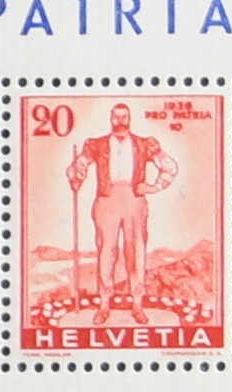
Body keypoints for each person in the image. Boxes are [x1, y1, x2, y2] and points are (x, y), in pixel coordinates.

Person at [64, 103, 172, 305]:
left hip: (135, 200)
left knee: (136, 250)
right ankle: (105, 303)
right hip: (107, 200)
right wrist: (76, 177)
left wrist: (154, 187)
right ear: (110, 118)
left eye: (124, 117)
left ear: (129, 119)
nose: (120, 121)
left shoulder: (144, 144)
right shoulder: (96, 145)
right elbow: (79, 165)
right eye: (116, 117)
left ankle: (137, 303)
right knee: (107, 250)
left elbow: (169, 167)